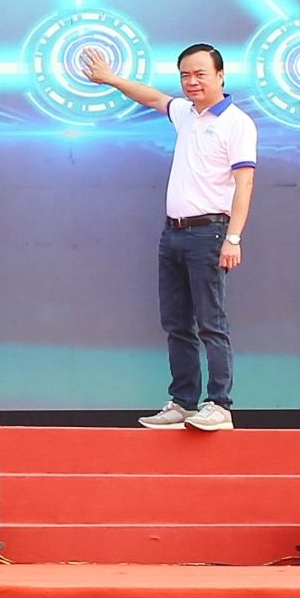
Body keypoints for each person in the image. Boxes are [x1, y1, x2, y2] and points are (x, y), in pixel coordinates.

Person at [83, 43, 257, 432]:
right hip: (173, 232)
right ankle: (183, 402)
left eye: (200, 74)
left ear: (220, 75)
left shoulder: (237, 123)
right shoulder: (185, 114)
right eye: (185, 75)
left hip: (210, 233)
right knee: (176, 323)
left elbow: (245, 184)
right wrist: (110, 78)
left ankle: (220, 404)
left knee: (210, 322)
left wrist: (233, 237)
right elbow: (152, 97)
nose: (192, 82)